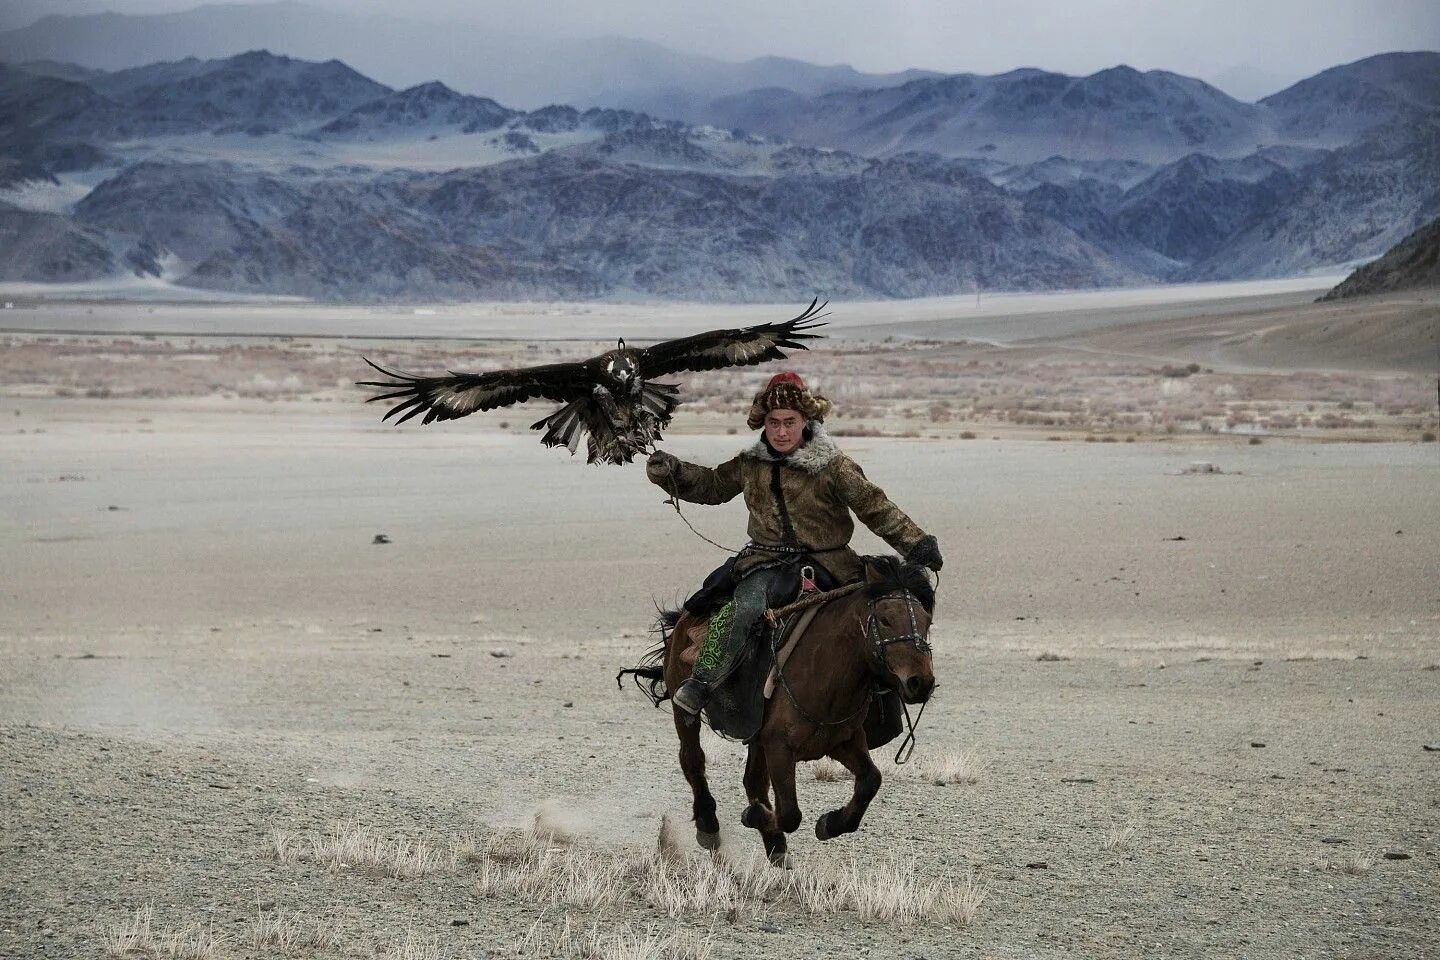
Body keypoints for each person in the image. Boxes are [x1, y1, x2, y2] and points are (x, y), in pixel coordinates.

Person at [645, 371, 942, 718]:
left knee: (886, 617)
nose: (782, 431)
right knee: (743, 610)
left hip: (833, 564)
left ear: (807, 421)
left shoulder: (835, 467)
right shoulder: (750, 463)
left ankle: (883, 705)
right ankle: (703, 683)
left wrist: (916, 543)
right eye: (774, 423)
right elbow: (712, 486)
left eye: (790, 422)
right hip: (765, 564)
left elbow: (875, 507)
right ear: (763, 423)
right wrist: (674, 473)